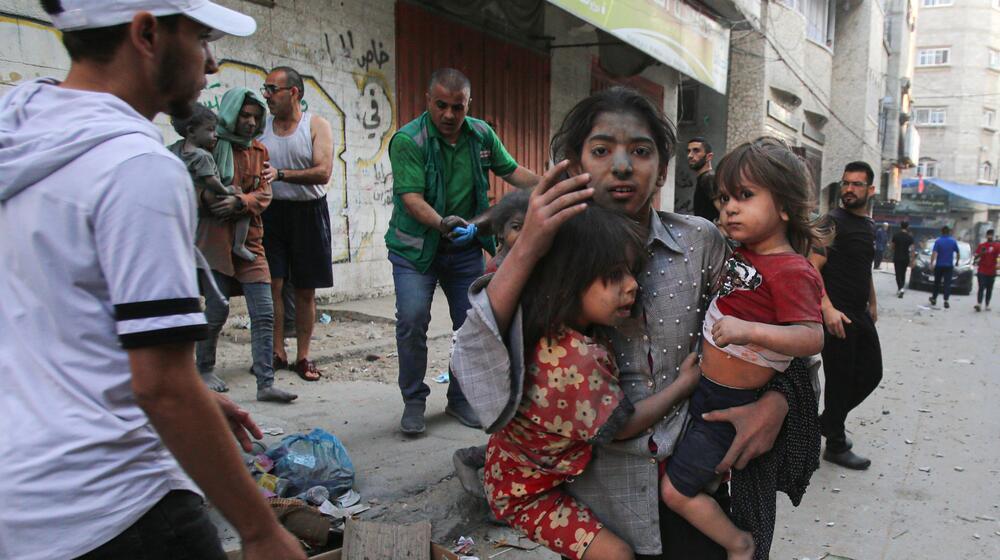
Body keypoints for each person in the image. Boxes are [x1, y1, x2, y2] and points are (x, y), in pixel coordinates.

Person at [0, 2, 305, 559]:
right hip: (114, 506)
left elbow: (54, 321)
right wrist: (260, 531)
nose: (212, 63)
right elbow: (161, 385)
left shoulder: (23, 135)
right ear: (146, 33)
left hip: (21, 508)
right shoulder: (137, 168)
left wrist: (194, 398)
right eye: (202, 38)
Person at [453, 87, 808, 559]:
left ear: (663, 168)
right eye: (601, 151)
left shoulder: (700, 242)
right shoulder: (546, 253)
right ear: (577, 167)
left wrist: (777, 404)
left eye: (640, 151)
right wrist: (530, 246)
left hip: (690, 483)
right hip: (596, 501)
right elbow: (471, 361)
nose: (622, 166)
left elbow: (782, 323)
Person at [484, 205, 701, 559]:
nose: (632, 285)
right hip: (527, 495)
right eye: (615, 275)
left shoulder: (550, 328)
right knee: (616, 555)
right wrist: (683, 385)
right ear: (572, 278)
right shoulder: (577, 360)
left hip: (515, 471)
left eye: (632, 272)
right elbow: (623, 426)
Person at [660, 138, 826, 559]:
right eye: (724, 198)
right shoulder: (743, 253)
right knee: (694, 476)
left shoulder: (791, 269)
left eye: (745, 196)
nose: (729, 208)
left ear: (785, 207)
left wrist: (751, 330)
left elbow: (811, 337)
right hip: (707, 392)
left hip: (730, 405)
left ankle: (739, 544)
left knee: (675, 491)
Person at [387, 68, 540, 434]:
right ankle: (413, 402)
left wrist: (556, 183)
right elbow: (411, 199)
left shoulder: (481, 134)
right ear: (428, 101)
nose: (449, 115)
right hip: (416, 252)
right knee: (411, 322)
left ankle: (459, 400)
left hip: (464, 248)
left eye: (458, 107)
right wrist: (443, 224)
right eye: (441, 106)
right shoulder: (409, 140)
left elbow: (513, 171)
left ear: (468, 104)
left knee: (472, 326)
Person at [194, 87, 297, 403]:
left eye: (255, 117)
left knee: (265, 313)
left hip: (250, 242)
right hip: (214, 242)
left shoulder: (259, 152)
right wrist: (213, 201)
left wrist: (240, 201)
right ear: (231, 113)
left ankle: (265, 382)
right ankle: (204, 368)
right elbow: (192, 187)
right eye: (244, 116)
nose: (251, 123)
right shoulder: (209, 146)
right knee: (216, 310)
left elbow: (265, 195)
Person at [259, 65, 335, 382]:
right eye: (265, 89)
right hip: (272, 213)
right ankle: (277, 352)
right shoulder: (261, 127)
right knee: (273, 285)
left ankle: (303, 357)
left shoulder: (316, 125)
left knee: (305, 290)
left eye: (272, 89)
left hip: (308, 212)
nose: (266, 96)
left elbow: (323, 172)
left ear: (293, 92)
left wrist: (281, 174)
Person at [809, 161, 881, 470]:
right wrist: (827, 309)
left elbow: (863, 266)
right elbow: (811, 269)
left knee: (871, 373)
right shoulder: (831, 222)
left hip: (859, 312)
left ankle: (826, 423)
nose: (849, 189)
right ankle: (835, 444)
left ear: (871, 190)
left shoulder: (867, 224)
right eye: (846, 183)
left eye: (856, 184)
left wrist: (873, 302)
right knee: (840, 380)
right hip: (836, 314)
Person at [169, 103, 255, 262]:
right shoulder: (202, 156)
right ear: (192, 131)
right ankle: (239, 245)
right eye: (210, 130)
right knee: (244, 206)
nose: (215, 134)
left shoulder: (176, 149)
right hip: (211, 194)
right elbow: (211, 180)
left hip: (190, 198)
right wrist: (227, 190)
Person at [688, 136, 718, 223]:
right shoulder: (704, 178)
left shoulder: (709, 178)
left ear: (709, 157)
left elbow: (722, 207)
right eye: (689, 151)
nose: (690, 155)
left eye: (696, 151)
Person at [929, 226, 961, 309]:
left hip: (939, 265)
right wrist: (957, 261)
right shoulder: (953, 241)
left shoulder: (938, 241)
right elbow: (957, 252)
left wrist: (931, 263)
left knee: (937, 282)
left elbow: (934, 253)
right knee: (947, 283)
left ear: (941, 232)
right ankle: (946, 300)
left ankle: (934, 298)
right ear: (949, 232)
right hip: (949, 266)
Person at [973, 228, 999, 311]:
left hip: (992, 271)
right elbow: (975, 257)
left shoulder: (997, 246)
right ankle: (979, 304)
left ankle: (987, 304)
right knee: (981, 287)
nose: (990, 236)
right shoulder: (982, 246)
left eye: (991, 235)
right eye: (988, 235)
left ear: (993, 236)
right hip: (982, 270)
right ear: (986, 236)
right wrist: (981, 253)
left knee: (989, 289)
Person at [890, 221, 915, 298]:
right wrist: (912, 260)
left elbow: (892, 247)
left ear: (900, 226)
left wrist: (895, 249)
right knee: (903, 273)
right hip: (906, 258)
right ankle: (901, 288)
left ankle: (900, 288)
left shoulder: (896, 236)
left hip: (897, 257)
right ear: (907, 227)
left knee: (898, 274)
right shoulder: (910, 237)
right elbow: (912, 249)